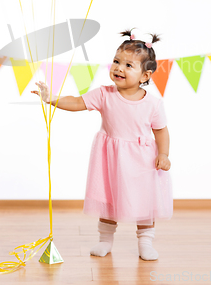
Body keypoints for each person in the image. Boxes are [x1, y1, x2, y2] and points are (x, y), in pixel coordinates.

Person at [31, 28, 173, 261]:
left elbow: (161, 130)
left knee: (145, 201)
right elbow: (77, 102)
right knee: (108, 199)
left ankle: (145, 241)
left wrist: (164, 154)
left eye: (129, 65)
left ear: (145, 76)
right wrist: (51, 98)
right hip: (110, 158)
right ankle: (105, 240)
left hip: (142, 160)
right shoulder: (104, 94)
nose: (119, 68)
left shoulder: (153, 104)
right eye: (117, 61)